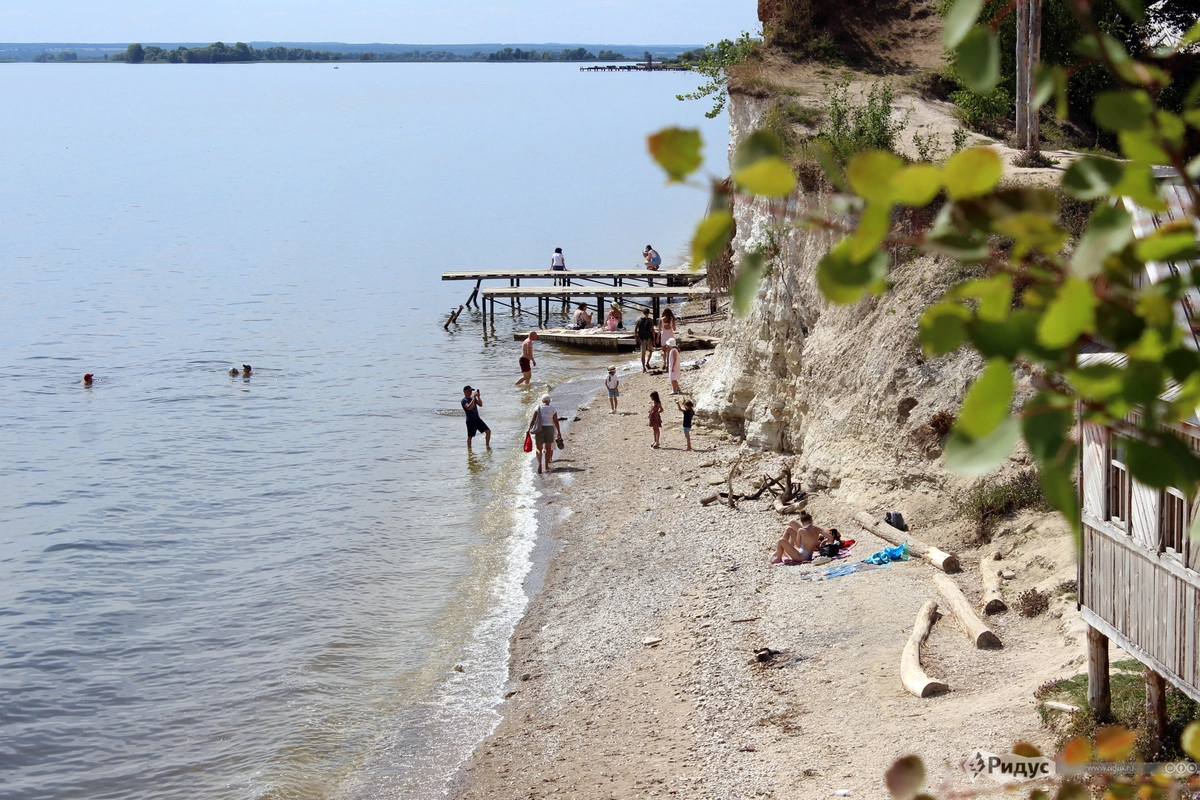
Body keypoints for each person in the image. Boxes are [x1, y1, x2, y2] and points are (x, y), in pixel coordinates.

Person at [527, 395, 562, 474]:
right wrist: (559, 432)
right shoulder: (553, 408)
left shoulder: (538, 408)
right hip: (549, 428)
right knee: (548, 448)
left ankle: (539, 464)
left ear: (542, 401)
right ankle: (546, 466)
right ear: (549, 401)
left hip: (540, 429)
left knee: (539, 448)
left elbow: (533, 420)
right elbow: (556, 421)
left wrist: (529, 429)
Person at [461, 385, 491, 451]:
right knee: (470, 436)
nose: (470, 392)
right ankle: (469, 450)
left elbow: (480, 404)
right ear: (465, 391)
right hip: (470, 420)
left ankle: (487, 445)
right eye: (469, 391)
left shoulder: (473, 398)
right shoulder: (464, 400)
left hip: (477, 419)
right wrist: (474, 398)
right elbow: (469, 407)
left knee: (488, 431)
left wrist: (478, 397)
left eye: (471, 391)